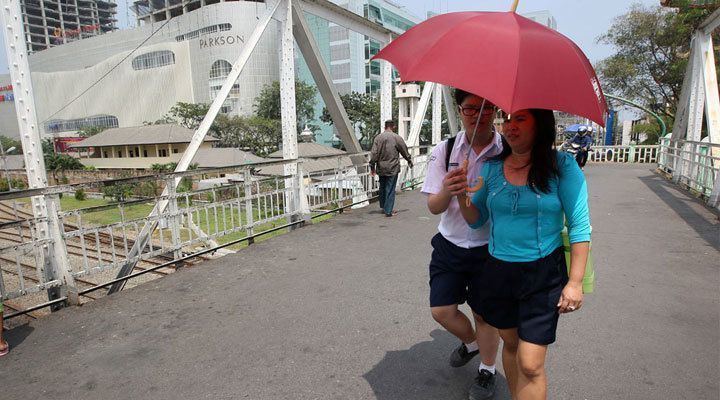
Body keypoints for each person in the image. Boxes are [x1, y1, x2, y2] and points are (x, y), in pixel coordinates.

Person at [456, 109, 591, 400]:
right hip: (499, 271)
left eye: (520, 120)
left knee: (530, 363)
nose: (510, 127)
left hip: (543, 273)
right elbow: (476, 219)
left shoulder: (562, 166)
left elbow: (580, 225)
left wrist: (575, 282)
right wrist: (459, 194)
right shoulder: (491, 168)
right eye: (507, 120)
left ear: (540, 125)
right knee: (512, 344)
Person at [421, 89, 502, 400]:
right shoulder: (446, 149)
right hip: (450, 243)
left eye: (486, 107)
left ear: (495, 109)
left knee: (485, 315)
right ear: (459, 109)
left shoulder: (506, 151)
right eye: (471, 109)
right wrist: (448, 189)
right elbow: (434, 206)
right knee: (442, 310)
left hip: (490, 248)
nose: (479, 114)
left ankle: (487, 370)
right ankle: (473, 344)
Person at [370, 120, 413, 217]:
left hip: (381, 167)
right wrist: (409, 160)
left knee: (382, 187)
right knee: (390, 188)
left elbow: (373, 154)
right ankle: (388, 211)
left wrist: (372, 166)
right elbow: (404, 150)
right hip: (392, 167)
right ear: (393, 127)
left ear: (385, 127)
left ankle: (384, 206)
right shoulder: (396, 137)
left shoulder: (378, 138)